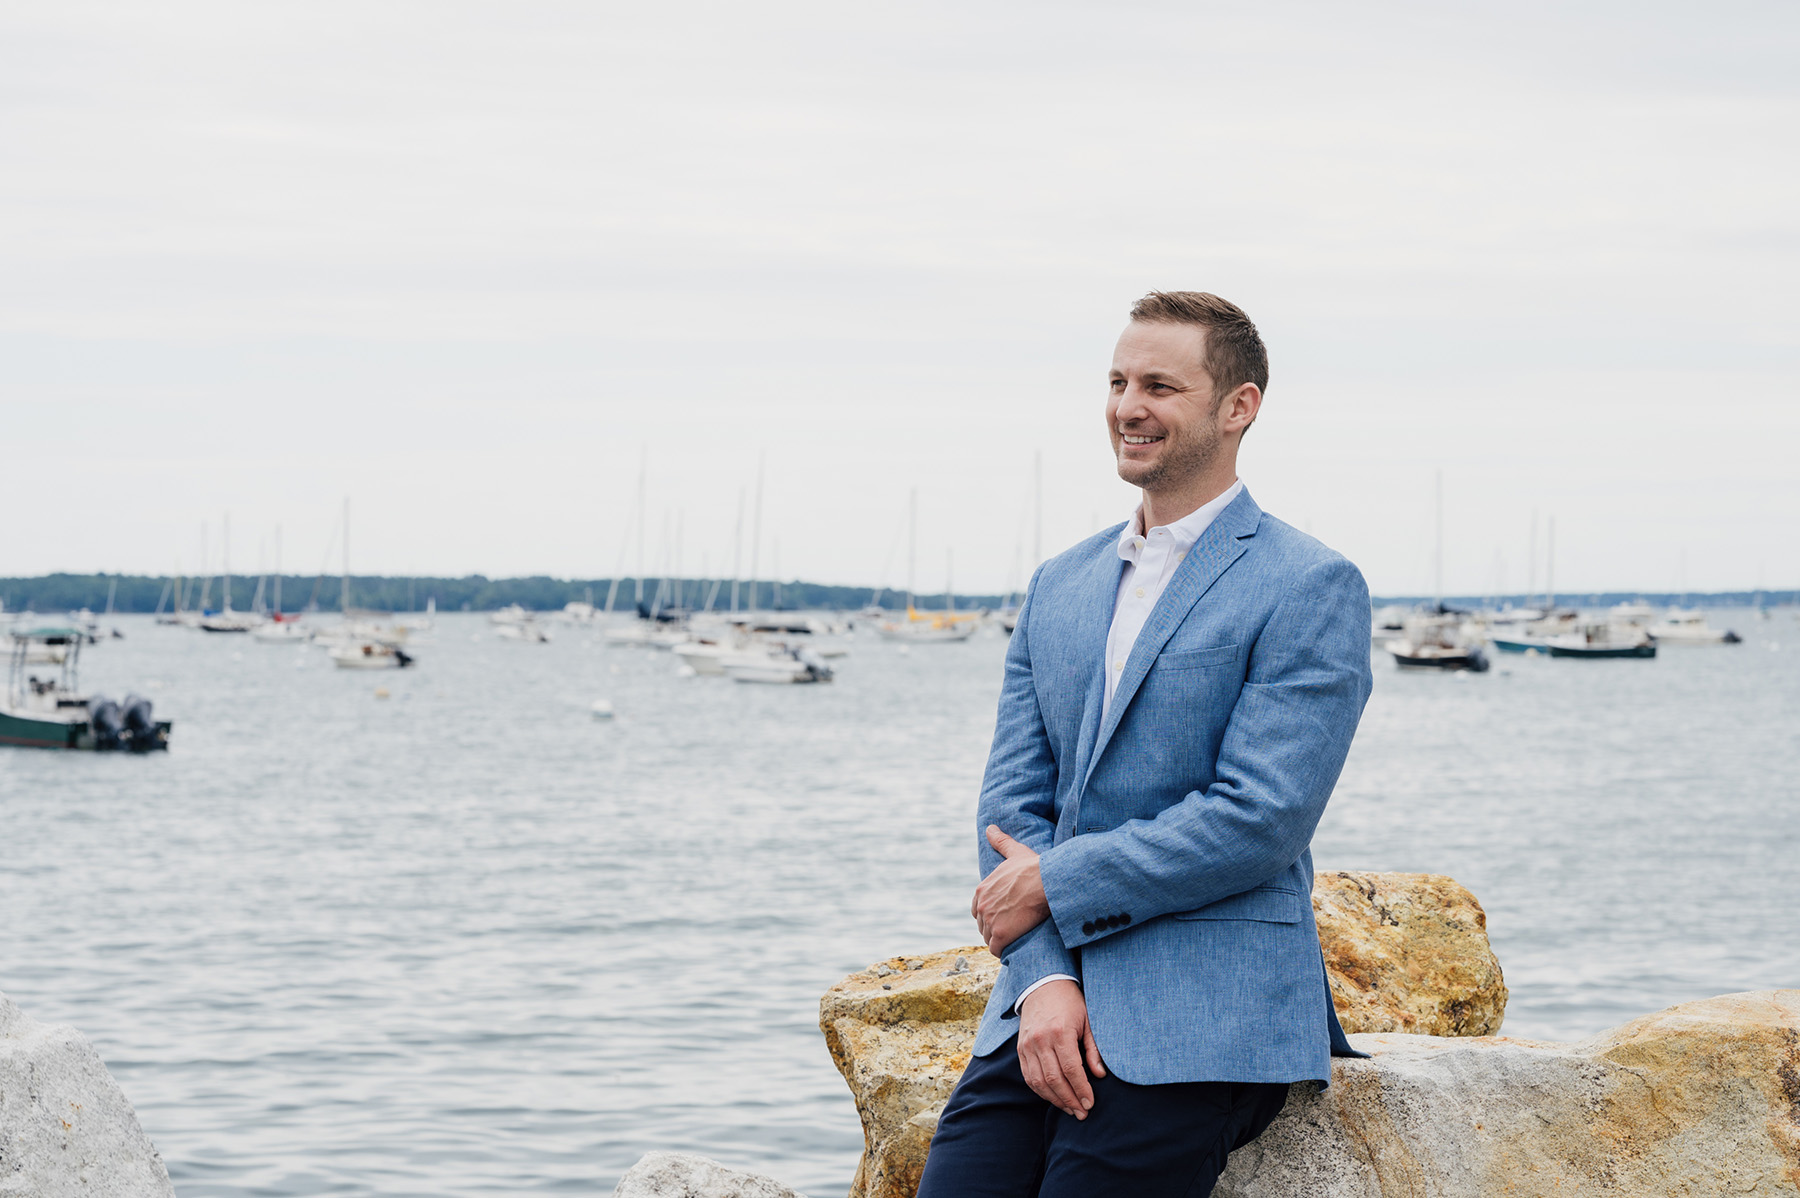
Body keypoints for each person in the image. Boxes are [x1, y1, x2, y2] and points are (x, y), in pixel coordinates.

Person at [914, 291, 1374, 1198]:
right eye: (1119, 381)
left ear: (1237, 407)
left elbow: (1261, 818)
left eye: (1161, 385)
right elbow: (1012, 809)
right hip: (1042, 1007)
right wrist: (1042, 982)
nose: (1129, 405)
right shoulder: (1061, 584)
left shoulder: (1309, 584)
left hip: (1207, 1009)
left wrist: (1058, 880)